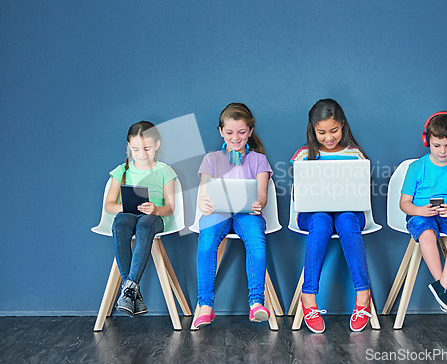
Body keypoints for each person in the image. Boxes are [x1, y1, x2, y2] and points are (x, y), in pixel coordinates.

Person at [290, 98, 372, 333]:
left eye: (334, 131)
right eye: (322, 132)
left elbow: (362, 195)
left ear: (343, 125)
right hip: (313, 216)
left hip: (351, 215)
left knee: (346, 219)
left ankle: (363, 295)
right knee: (322, 219)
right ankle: (309, 298)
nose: (328, 138)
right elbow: (298, 198)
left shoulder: (355, 155)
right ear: (312, 130)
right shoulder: (303, 155)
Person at [193, 103, 273, 328]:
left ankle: (256, 303)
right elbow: (204, 192)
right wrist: (204, 203)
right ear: (221, 132)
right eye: (229, 132)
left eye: (241, 132)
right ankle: (205, 305)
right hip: (218, 212)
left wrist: (259, 204)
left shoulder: (258, 160)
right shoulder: (211, 159)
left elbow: (262, 195)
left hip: (247, 214)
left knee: (256, 242)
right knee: (207, 242)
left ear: (250, 131)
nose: (235, 138)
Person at [400, 111, 447, 314]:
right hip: (421, 213)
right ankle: (441, 284)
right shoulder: (416, 168)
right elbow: (404, 203)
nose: (443, 151)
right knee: (426, 234)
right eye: (437, 145)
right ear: (427, 141)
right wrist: (419, 210)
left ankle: (443, 284)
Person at [105, 121, 177, 316]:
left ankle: (128, 288)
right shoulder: (122, 171)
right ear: (129, 146)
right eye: (135, 149)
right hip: (128, 215)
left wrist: (155, 209)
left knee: (145, 225)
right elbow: (109, 205)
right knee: (120, 222)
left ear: (157, 145)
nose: (142, 154)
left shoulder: (165, 171)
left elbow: (170, 208)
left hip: (153, 218)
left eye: (147, 148)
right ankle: (132, 291)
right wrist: (128, 206)